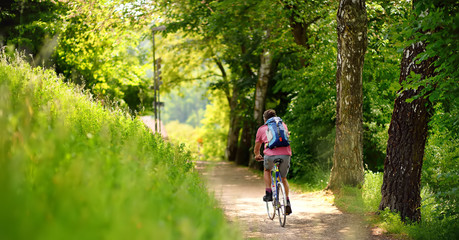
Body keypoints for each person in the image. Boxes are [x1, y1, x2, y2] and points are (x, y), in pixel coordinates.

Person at [254, 109, 292, 215]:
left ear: (265, 119)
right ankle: (287, 201)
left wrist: (257, 155)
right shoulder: (283, 125)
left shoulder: (262, 129)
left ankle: (269, 192)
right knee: (283, 178)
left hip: (270, 156)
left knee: (267, 170)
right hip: (285, 155)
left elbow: (257, 148)